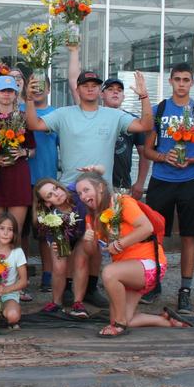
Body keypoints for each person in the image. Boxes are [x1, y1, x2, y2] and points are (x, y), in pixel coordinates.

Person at [25, 69, 151, 307]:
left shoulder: (114, 115)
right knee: (69, 242)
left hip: (102, 192)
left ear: (100, 90)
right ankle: (69, 290)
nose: (90, 88)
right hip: (69, 191)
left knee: (95, 242)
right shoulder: (64, 114)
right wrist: (29, 98)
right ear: (78, 89)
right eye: (86, 85)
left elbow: (145, 124)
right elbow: (33, 124)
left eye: (95, 85)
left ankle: (91, 288)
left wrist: (144, 96)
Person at [141, 62, 194, 314]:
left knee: (189, 235)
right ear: (170, 81)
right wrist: (164, 157)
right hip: (162, 180)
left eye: (186, 79)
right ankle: (153, 283)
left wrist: (191, 160)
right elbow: (147, 150)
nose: (181, 84)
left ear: (192, 82)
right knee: (154, 235)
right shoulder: (159, 110)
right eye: (177, 79)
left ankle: (185, 290)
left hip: (190, 181)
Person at [75, 172, 188, 337]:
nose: (83, 196)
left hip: (147, 263)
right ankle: (166, 320)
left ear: (100, 187)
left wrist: (119, 244)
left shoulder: (122, 202)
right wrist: (87, 240)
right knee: (124, 318)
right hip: (125, 271)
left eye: (86, 190)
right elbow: (92, 252)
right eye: (79, 193)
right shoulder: (91, 218)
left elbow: (146, 228)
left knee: (109, 273)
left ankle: (119, 324)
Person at [32, 178, 91, 318]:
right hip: (62, 239)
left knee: (80, 261)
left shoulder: (76, 194)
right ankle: (56, 302)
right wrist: (51, 243)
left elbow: (93, 179)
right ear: (47, 202)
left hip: (84, 235)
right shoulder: (49, 216)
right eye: (50, 195)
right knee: (58, 266)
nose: (56, 194)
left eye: (55, 188)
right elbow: (50, 237)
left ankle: (78, 303)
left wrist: (96, 169)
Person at [24, 74, 59, 294]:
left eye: (41, 86)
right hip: (21, 180)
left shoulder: (57, 115)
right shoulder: (19, 111)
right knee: (21, 231)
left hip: (46, 182)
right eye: (33, 86)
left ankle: (48, 275)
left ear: (48, 89)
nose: (37, 90)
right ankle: (21, 274)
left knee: (46, 232)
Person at [0, 75, 35, 237]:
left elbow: (33, 149)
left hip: (18, 175)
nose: (6, 94)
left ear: (16, 94)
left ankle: (15, 255)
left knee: (15, 230)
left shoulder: (23, 117)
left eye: (10, 91)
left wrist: (23, 152)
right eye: (3, 91)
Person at [100, 77, 150, 199]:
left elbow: (144, 153)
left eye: (119, 90)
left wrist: (140, 183)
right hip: (95, 183)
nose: (115, 92)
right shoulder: (93, 117)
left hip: (121, 185)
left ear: (123, 96)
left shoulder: (134, 121)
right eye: (110, 89)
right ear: (101, 95)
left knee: (121, 212)